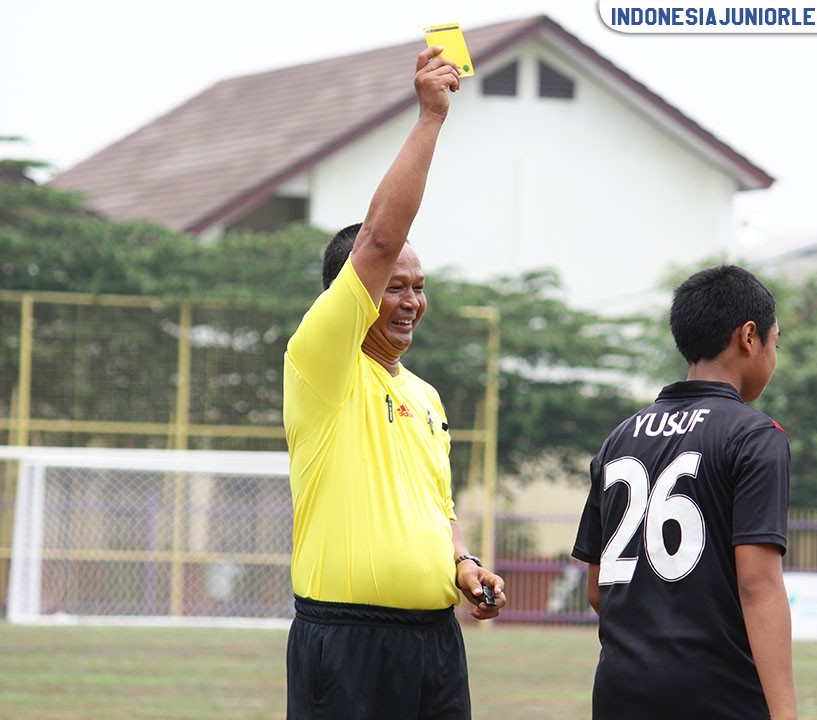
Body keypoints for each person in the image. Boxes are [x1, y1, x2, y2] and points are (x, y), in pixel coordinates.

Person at [282, 45, 506, 720]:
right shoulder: (321, 361)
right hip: (346, 637)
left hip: (433, 641)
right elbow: (378, 241)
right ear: (348, 295)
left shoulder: (426, 396)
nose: (410, 301)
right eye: (394, 288)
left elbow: (436, 510)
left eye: (419, 288)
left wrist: (463, 565)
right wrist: (431, 118)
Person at [572, 265, 797, 720]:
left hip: (619, 690)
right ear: (748, 337)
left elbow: (597, 588)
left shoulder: (620, 438)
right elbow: (758, 586)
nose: (775, 354)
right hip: (716, 693)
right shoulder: (755, 436)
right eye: (777, 341)